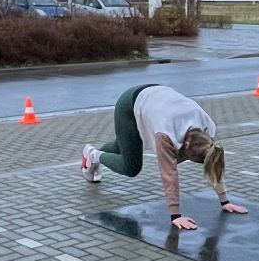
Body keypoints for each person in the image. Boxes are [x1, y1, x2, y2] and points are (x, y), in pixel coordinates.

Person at [81, 84, 246, 229]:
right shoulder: (166, 133)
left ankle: (93, 159)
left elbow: (214, 164)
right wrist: (176, 215)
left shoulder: (207, 131)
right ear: (185, 146)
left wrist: (225, 201)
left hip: (158, 98)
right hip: (130, 105)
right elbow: (169, 174)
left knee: (124, 145)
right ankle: (92, 154)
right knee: (130, 166)